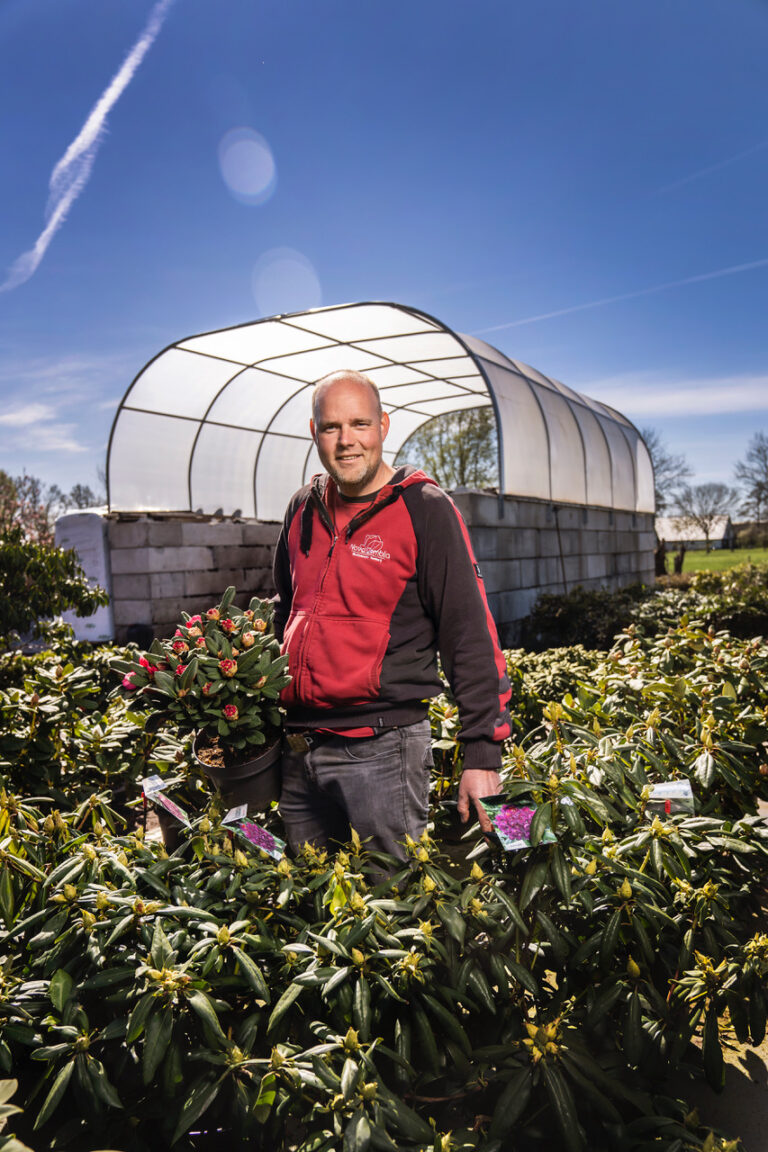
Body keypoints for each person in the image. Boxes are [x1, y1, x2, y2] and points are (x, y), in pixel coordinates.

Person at [272, 369, 512, 865]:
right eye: (331, 427)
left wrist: (482, 754)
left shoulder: (424, 508)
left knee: (393, 910)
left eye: (359, 424)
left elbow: (468, 634)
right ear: (313, 432)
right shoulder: (301, 509)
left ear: (383, 426)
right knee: (310, 911)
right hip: (298, 750)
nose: (346, 441)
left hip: (382, 751)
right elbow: (286, 613)